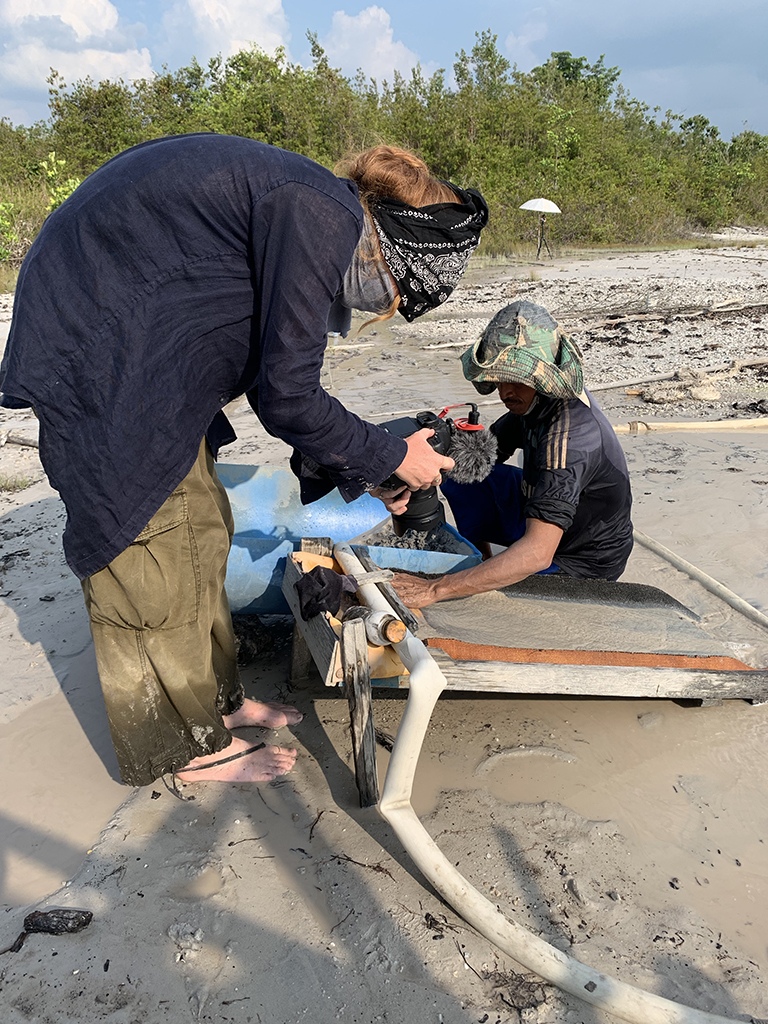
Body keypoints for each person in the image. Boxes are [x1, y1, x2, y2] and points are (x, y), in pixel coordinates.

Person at [0, 135, 488, 786]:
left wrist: (370, 467)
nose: (373, 311)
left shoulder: (320, 216)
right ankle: (182, 752)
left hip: (157, 359)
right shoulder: (323, 218)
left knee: (205, 530)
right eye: (391, 298)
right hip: (103, 358)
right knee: (149, 556)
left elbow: (270, 377)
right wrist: (393, 452)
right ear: (395, 258)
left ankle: (215, 709)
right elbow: (289, 398)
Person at [387, 300, 633, 610]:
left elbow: (538, 553)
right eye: (500, 378)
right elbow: (484, 453)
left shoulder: (570, 439)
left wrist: (436, 589)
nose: (505, 391)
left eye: (516, 379)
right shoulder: (530, 402)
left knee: (493, 604)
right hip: (538, 502)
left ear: (544, 379)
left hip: (579, 556)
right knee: (459, 474)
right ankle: (478, 561)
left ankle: (470, 580)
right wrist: (417, 463)